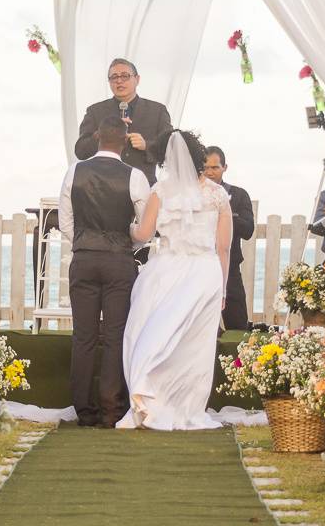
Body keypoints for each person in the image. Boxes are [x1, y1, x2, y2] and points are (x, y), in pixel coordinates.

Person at [117, 129, 232, 430]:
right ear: (199, 157)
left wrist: (124, 228)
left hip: (165, 270)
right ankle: (188, 407)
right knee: (195, 346)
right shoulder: (218, 195)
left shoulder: (161, 191)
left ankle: (149, 399)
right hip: (205, 273)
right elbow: (224, 247)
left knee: (152, 333)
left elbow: (143, 235)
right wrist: (223, 288)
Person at [59, 116, 151, 428]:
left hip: (83, 258)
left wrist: (83, 243)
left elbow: (65, 220)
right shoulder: (135, 176)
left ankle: (84, 411)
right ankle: (111, 410)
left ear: (97, 137)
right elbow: (145, 228)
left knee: (83, 335)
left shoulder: (74, 171)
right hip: (118, 261)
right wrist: (126, 237)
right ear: (125, 141)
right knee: (114, 335)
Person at [74, 58, 172, 185]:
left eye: (125, 76)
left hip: (144, 186)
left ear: (137, 79)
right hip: (103, 188)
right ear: (109, 82)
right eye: (114, 77)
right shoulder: (95, 111)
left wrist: (146, 146)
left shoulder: (157, 111)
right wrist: (103, 133)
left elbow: (171, 150)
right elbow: (81, 151)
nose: (119, 81)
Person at [203, 146, 254, 332]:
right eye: (205, 167)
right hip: (200, 270)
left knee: (238, 327)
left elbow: (248, 230)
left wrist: (226, 214)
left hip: (230, 270)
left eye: (215, 167)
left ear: (225, 167)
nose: (209, 172)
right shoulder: (193, 195)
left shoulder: (239, 195)